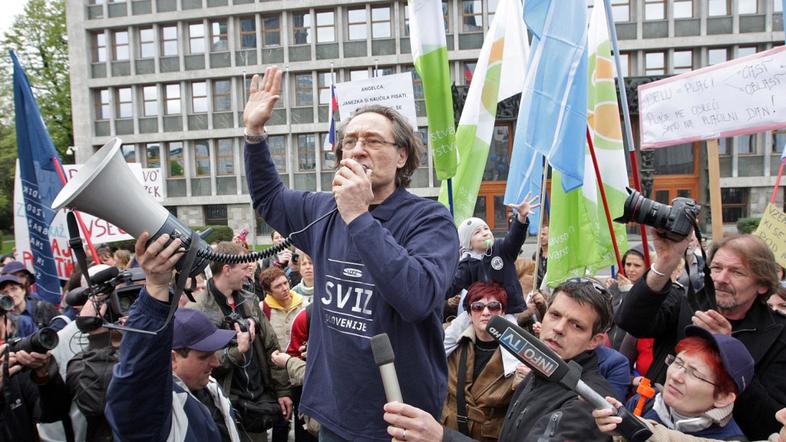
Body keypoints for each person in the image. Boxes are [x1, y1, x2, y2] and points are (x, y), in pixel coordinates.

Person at [244, 66, 459, 441]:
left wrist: (359, 215)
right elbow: (269, 198)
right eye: (351, 140)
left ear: (402, 156)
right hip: (336, 413)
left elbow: (418, 298)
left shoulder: (430, 220)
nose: (358, 148)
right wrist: (254, 135)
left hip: (399, 419)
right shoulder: (323, 209)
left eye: (373, 141)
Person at [383, 278, 617, 441]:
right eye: (555, 315)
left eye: (576, 325)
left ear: (594, 340)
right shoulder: (542, 371)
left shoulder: (591, 399)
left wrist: (442, 436)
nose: (558, 329)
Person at [616, 233, 786, 439]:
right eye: (716, 268)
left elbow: (772, 422)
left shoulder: (779, 334)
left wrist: (729, 351)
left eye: (737, 272)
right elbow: (629, 320)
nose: (721, 279)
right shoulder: (686, 302)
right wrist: (665, 262)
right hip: (652, 423)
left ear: (763, 285)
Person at [105, 233, 241, 441]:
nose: (215, 361)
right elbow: (138, 375)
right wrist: (156, 288)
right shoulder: (153, 412)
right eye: (204, 356)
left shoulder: (211, 390)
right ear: (172, 358)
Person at [187, 241, 292, 442]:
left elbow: (271, 346)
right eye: (244, 268)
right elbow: (198, 364)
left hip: (257, 404)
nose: (248, 273)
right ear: (227, 269)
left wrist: (282, 390)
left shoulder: (250, 300)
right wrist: (239, 350)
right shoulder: (197, 311)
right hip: (223, 408)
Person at [593, 326, 753, 440]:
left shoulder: (729, 438)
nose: (676, 376)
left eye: (695, 373)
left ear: (723, 397)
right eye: (678, 362)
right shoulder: (645, 401)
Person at [441, 281, 522, 441]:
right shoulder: (453, 344)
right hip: (448, 432)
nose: (485, 312)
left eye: (493, 307)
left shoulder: (517, 357)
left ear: (502, 312)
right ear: (469, 314)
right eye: (478, 307)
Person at [449, 193, 540, 315]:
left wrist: (521, 219)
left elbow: (514, 238)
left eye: (486, 229)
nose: (485, 233)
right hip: (479, 313)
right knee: (455, 330)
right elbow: (452, 286)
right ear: (468, 243)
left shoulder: (501, 248)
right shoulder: (466, 264)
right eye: (477, 232)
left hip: (508, 310)